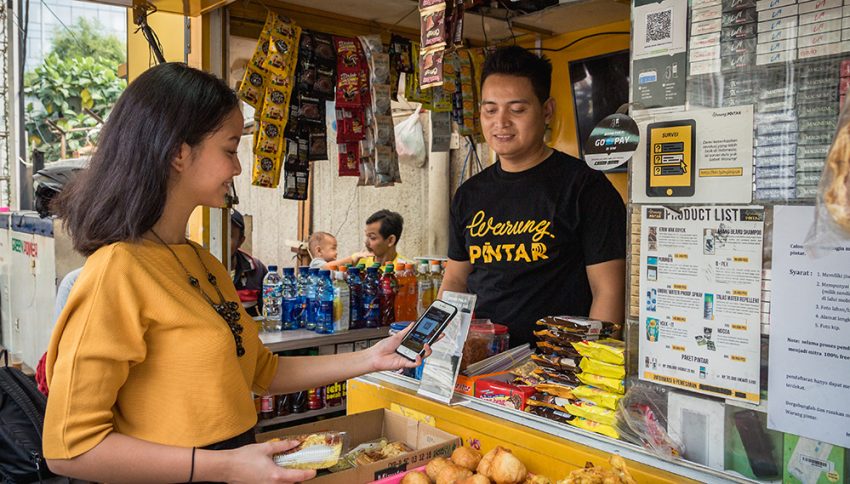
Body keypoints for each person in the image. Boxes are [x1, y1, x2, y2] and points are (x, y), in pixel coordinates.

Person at [44, 63, 429, 483]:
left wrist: (371, 359)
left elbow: (261, 371)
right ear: (178, 152)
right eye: (229, 149)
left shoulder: (203, 263)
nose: (237, 169)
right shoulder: (115, 271)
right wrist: (225, 466)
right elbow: (70, 450)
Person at [440, 46, 626, 348]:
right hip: (482, 362)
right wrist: (444, 349)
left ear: (547, 110)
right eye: (490, 110)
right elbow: (455, 281)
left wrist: (589, 370)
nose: (501, 122)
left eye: (517, 109)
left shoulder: (586, 187)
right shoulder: (468, 195)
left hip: (554, 369)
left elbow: (608, 290)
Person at [230, 209, 268, 317]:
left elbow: (268, 313)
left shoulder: (256, 270)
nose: (221, 241)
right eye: (217, 234)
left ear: (240, 241)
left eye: (229, 235)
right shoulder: (198, 269)